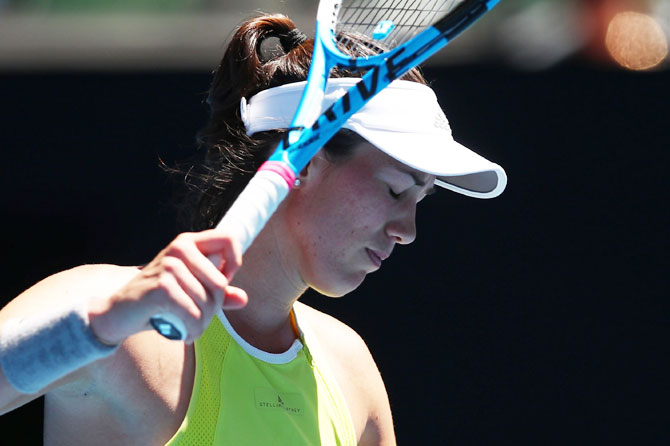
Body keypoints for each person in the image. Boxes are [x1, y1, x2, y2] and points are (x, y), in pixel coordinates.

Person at [0, 13, 506, 446]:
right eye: (396, 190)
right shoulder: (108, 307)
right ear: (305, 160)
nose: (408, 230)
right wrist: (104, 325)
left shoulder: (351, 369)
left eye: (421, 199)